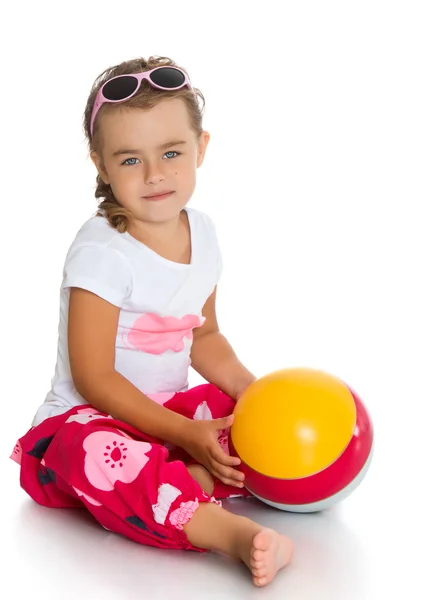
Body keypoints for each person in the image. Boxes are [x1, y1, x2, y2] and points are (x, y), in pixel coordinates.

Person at [10, 55, 294, 587]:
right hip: (81, 427)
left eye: (170, 153)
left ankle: (199, 476)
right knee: (95, 451)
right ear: (100, 164)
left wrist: (255, 393)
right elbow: (94, 379)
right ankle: (225, 532)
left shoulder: (204, 234)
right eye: (131, 160)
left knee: (241, 415)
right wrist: (185, 433)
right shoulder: (101, 252)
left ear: (200, 148)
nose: (156, 174)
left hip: (163, 423)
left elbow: (203, 336)